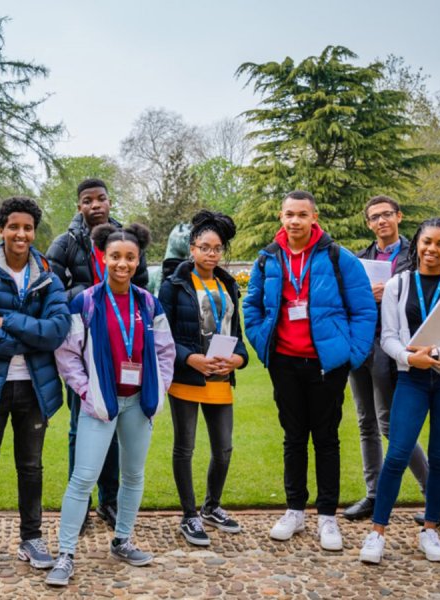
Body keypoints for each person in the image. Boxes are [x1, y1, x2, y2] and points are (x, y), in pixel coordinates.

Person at [242, 190, 376, 551]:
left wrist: (352, 354)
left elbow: (364, 310)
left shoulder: (338, 257)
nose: (296, 221)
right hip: (285, 362)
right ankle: (294, 510)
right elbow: (251, 306)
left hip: (325, 364)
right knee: (293, 437)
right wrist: (261, 341)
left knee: (327, 439)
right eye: (290, 214)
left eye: (303, 214)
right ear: (281, 217)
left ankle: (327, 516)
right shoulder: (268, 258)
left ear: (314, 217)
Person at [46, 223, 175, 587]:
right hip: (99, 404)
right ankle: (66, 553)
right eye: (115, 256)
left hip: (138, 401)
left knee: (133, 475)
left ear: (138, 260)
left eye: (130, 257)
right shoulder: (85, 302)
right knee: (84, 477)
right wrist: (87, 393)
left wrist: (159, 388)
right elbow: (67, 355)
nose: (122, 263)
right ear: (103, 257)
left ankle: (122, 539)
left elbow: (165, 351)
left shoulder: (148, 302)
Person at [358, 218, 440, 564]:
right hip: (412, 378)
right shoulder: (399, 284)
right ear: (416, 243)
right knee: (398, 453)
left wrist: (438, 354)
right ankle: (377, 532)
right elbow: (387, 337)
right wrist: (408, 358)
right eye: (427, 242)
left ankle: (430, 529)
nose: (432, 249)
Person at [0, 197, 70, 578]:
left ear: (34, 232)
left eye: (28, 228)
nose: (21, 234)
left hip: (34, 389)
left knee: (31, 467)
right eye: (14, 227)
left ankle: (31, 538)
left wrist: (11, 322)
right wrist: (29, 335)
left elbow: (57, 330)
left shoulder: (48, 277)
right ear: (2, 229)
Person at [344, 196, 440, 525]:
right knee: (364, 422)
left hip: (396, 346)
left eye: (386, 215)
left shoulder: (419, 254)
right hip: (362, 343)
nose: (381, 221)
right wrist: (367, 295)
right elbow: (349, 300)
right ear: (368, 223)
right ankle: (373, 494)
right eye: (374, 217)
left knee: (388, 423)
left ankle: (436, 495)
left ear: (399, 216)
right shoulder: (361, 259)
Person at [46, 178, 148, 530]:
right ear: (79, 206)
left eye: (101, 199)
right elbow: (52, 292)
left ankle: (110, 501)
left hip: (123, 346)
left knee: (117, 427)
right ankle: (83, 502)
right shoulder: (65, 243)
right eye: (87, 200)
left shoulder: (126, 240)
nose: (95, 205)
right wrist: (92, 297)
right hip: (84, 345)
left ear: (109, 201)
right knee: (82, 427)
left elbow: (142, 287)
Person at [159, 210, 249, 547]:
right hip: (187, 377)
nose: (211, 254)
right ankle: (189, 515)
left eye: (217, 248)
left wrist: (238, 359)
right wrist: (191, 358)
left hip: (220, 377)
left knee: (223, 449)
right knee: (185, 447)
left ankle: (212, 506)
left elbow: (236, 333)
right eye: (205, 247)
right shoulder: (174, 285)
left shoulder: (227, 285)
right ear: (192, 249)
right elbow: (162, 335)